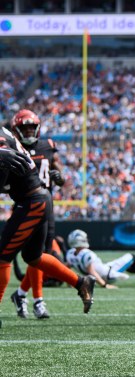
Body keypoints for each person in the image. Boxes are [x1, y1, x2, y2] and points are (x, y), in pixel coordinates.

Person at [0, 125, 95, 320]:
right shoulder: (6, 135)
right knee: (34, 257)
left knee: (2, 257)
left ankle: (34, 299)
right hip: (37, 199)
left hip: (31, 202)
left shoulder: (3, 139)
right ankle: (81, 282)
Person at [8, 109, 68, 318]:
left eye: (31, 127)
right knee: (34, 256)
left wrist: (58, 176)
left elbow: (61, 179)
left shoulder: (48, 146)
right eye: (24, 128)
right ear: (16, 130)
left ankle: (22, 294)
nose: (28, 131)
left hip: (46, 205)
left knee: (41, 256)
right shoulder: (12, 148)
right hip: (25, 205)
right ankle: (38, 300)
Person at [65, 229, 135, 288]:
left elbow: (66, 269)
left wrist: (70, 283)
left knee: (128, 263)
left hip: (106, 269)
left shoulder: (70, 254)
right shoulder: (87, 254)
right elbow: (92, 273)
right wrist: (105, 285)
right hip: (108, 274)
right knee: (132, 257)